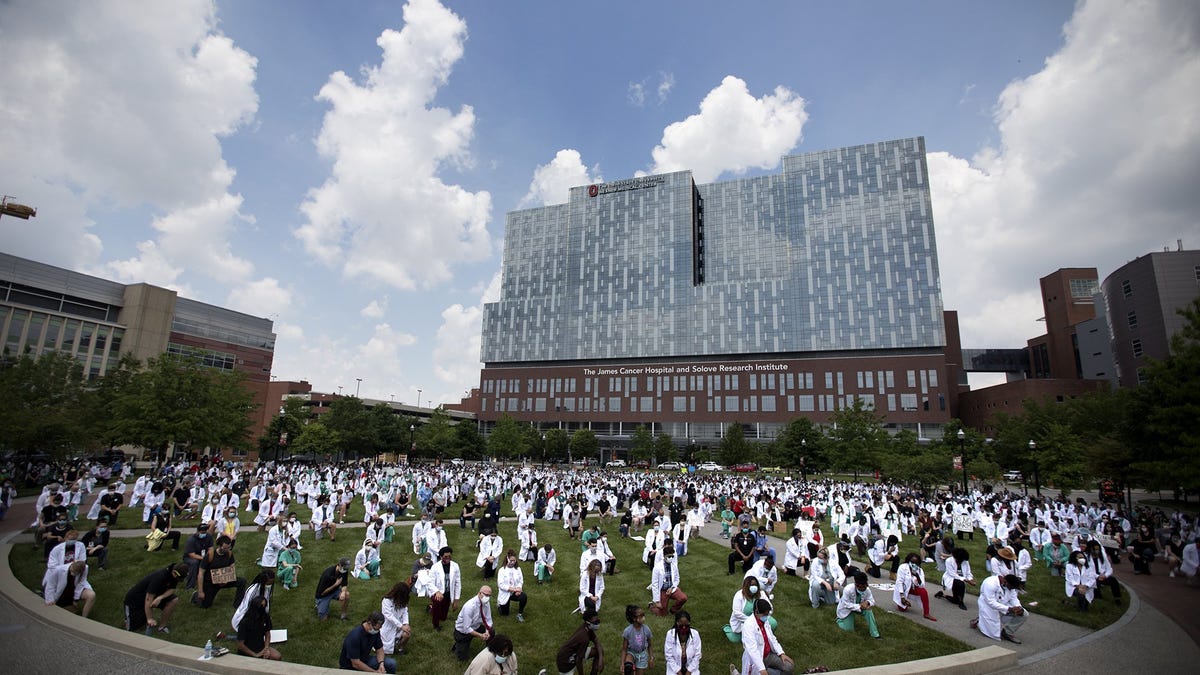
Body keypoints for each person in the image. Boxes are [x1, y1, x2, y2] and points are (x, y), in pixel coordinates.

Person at [124, 562, 186, 634]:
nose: (178, 580)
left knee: (173, 600)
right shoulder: (160, 577)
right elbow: (148, 598)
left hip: (155, 596)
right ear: (174, 572)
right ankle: (128, 619)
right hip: (136, 600)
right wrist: (150, 618)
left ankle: (162, 627)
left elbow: (171, 589)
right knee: (132, 629)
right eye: (178, 578)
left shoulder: (174, 575)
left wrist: (160, 598)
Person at [739, 598, 794, 675]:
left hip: (768, 655)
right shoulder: (748, 625)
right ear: (756, 612)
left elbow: (772, 638)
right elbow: (752, 650)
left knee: (789, 666)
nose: (767, 616)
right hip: (756, 660)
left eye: (768, 614)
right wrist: (761, 669)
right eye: (765, 614)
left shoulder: (765, 621)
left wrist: (781, 653)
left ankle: (770, 670)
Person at [196, 534, 246, 609]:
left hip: (224, 580)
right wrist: (200, 591)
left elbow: (232, 567)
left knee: (241, 581)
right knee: (205, 605)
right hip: (211, 582)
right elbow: (201, 573)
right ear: (219, 546)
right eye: (226, 548)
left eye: (229, 547)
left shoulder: (229, 553)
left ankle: (238, 604)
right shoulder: (210, 555)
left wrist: (226, 579)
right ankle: (195, 596)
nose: (228, 549)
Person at [972, 573, 1026, 644]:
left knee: (1024, 614)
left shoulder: (1010, 586)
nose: (1011, 589)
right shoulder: (990, 583)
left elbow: (1014, 598)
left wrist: (1018, 607)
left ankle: (1007, 632)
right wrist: (1009, 609)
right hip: (988, 605)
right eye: (1011, 587)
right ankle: (979, 621)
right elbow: (991, 602)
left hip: (1003, 603)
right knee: (992, 633)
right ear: (1005, 582)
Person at [556, 608, 604, 675]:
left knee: (599, 651)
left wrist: (601, 660)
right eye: (595, 622)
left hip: (575, 653)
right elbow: (578, 660)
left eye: (598, 620)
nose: (597, 623)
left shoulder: (587, 628)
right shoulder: (584, 638)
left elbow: (597, 642)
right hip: (565, 661)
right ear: (588, 622)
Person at [452, 585, 494, 661]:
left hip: (475, 626)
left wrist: (487, 631)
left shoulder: (486, 603)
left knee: (491, 631)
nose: (487, 597)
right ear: (479, 593)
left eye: (489, 595)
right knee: (463, 658)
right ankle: (458, 644)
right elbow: (466, 628)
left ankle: (490, 650)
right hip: (463, 631)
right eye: (486, 595)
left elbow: (489, 620)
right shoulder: (470, 606)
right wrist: (480, 635)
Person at [836, 571, 880, 639]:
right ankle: (839, 620)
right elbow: (846, 604)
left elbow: (872, 601)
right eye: (861, 587)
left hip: (860, 607)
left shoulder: (867, 589)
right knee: (849, 630)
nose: (863, 589)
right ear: (856, 585)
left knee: (869, 611)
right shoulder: (848, 589)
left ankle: (875, 634)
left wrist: (868, 602)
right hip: (847, 609)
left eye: (864, 587)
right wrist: (859, 605)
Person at [236, 594, 282, 660]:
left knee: (277, 656)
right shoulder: (245, 622)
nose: (263, 608)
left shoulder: (265, 617)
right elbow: (240, 645)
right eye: (261, 606)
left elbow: (267, 634)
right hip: (247, 650)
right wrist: (255, 655)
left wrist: (266, 649)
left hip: (260, 647)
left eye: (264, 606)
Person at [893, 552, 936, 621]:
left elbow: (922, 585)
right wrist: (902, 597)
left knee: (923, 591)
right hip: (903, 590)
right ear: (908, 561)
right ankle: (903, 602)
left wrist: (917, 575)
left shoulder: (919, 570)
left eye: (916, 563)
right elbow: (899, 582)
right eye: (912, 562)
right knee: (902, 609)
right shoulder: (902, 567)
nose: (914, 564)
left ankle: (926, 613)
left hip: (913, 589)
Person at [430, 546, 463, 631]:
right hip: (437, 592)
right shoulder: (435, 567)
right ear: (441, 557)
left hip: (448, 592)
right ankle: (435, 625)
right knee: (437, 606)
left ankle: (431, 608)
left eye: (449, 556)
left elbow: (457, 583)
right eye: (445, 557)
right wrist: (437, 592)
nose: (448, 558)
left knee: (443, 617)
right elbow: (430, 583)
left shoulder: (455, 566)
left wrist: (456, 599)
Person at [650, 545, 687, 617]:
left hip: (672, 589)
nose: (671, 558)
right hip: (662, 590)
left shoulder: (674, 565)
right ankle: (652, 606)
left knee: (683, 598)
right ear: (664, 556)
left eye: (672, 556)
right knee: (663, 614)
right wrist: (657, 600)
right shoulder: (657, 567)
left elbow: (677, 578)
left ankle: (673, 610)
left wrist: (672, 587)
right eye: (669, 556)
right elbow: (655, 584)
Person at [663, 609, 701, 675]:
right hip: (674, 667)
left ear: (689, 622)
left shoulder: (695, 634)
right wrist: (678, 671)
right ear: (677, 623)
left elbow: (697, 655)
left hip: (691, 667)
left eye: (686, 625)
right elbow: (668, 656)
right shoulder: (670, 634)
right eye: (681, 625)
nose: (683, 627)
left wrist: (689, 671)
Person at [316, 557, 352, 621]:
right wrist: (335, 585)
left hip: (334, 591)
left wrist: (343, 592)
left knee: (347, 594)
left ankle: (343, 615)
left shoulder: (344, 571)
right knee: (323, 619)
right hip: (323, 595)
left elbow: (344, 584)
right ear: (340, 565)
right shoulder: (327, 574)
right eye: (344, 568)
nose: (345, 570)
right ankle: (319, 604)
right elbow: (323, 592)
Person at [380, 581, 412, 656]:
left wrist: (406, 624)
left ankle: (400, 648)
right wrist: (401, 626)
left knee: (407, 634)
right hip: (388, 627)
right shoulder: (386, 601)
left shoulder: (402, 601)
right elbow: (389, 616)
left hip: (399, 626)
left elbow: (405, 612)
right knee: (385, 650)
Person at [622, 604, 654, 674]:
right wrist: (622, 664)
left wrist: (651, 658)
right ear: (634, 619)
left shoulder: (646, 629)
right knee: (628, 667)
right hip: (631, 652)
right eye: (641, 616)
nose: (643, 617)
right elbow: (624, 649)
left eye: (643, 615)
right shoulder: (628, 631)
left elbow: (650, 645)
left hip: (642, 654)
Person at [496, 550, 528, 622]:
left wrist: (519, 588)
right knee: (504, 614)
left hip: (515, 592)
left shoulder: (518, 569)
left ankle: (520, 614)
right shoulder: (502, 570)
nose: (512, 562)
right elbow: (500, 585)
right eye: (511, 560)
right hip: (506, 592)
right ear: (507, 559)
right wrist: (513, 589)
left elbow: (520, 581)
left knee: (524, 597)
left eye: (514, 560)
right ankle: (499, 605)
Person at [182, 523, 213, 590]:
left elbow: (211, 548)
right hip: (190, 557)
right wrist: (204, 558)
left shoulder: (209, 537)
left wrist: (210, 557)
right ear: (198, 531)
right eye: (202, 532)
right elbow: (191, 554)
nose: (204, 533)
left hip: (203, 556)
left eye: (205, 532)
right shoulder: (191, 540)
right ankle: (190, 585)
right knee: (194, 563)